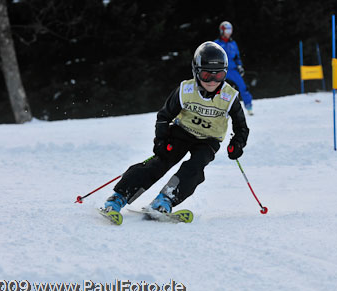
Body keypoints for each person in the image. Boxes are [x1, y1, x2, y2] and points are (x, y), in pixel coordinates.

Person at [101, 41, 249, 217]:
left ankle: (165, 200)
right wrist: (161, 140)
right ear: (196, 71)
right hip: (181, 132)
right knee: (160, 163)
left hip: (208, 140)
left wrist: (237, 144)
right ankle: (119, 197)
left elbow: (241, 127)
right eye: (206, 74)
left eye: (219, 76)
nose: (212, 81)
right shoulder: (185, 90)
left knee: (194, 168)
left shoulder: (229, 96)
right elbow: (164, 117)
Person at [214, 21, 254, 116]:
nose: (228, 33)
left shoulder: (233, 43)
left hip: (232, 69)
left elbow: (237, 57)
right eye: (226, 30)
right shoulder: (216, 43)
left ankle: (249, 106)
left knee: (243, 87)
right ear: (222, 31)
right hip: (221, 69)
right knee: (217, 89)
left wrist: (239, 66)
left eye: (230, 30)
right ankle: (217, 109)